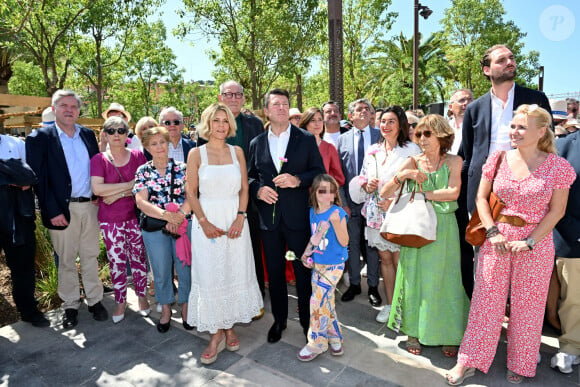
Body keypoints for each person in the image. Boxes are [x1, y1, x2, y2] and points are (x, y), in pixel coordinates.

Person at [447, 105, 576, 385]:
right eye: (513, 126)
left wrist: (530, 241)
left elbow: (557, 211)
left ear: (541, 131)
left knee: (528, 308)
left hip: (536, 244)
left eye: (521, 127)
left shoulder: (558, 167)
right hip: (497, 240)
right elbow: (481, 198)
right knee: (485, 303)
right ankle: (469, 360)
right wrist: (493, 232)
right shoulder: (498, 158)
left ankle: (522, 363)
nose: (514, 132)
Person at [458, 44, 551, 299]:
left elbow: (548, 148)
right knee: (486, 257)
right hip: (485, 194)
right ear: (487, 70)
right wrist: (465, 198)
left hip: (528, 190)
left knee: (525, 256)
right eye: (501, 60)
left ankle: (520, 315)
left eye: (511, 58)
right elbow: (467, 158)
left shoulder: (536, 101)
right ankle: (488, 314)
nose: (510, 61)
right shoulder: (474, 108)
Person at [380, 114, 469, 358]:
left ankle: (449, 333)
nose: (421, 139)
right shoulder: (412, 161)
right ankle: (413, 331)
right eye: (418, 134)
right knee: (414, 278)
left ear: (442, 135)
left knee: (445, 279)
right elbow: (385, 192)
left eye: (427, 133)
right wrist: (404, 176)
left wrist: (421, 192)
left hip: (444, 227)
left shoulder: (454, 161)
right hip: (416, 227)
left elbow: (453, 192)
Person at [185, 102, 263, 365]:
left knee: (234, 271)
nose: (221, 125)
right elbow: (190, 192)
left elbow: (244, 188)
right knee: (210, 275)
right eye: (216, 120)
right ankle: (216, 334)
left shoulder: (237, 151)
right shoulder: (196, 154)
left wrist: (241, 217)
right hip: (206, 221)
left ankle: (229, 327)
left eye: (225, 121)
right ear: (208, 124)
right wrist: (204, 221)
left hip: (235, 219)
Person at [247, 88, 326, 343]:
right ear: (267, 111)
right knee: (276, 272)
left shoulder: (305, 139)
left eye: (285, 104)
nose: (281, 108)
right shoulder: (257, 143)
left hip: (298, 219)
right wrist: (258, 190)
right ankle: (279, 320)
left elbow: (319, 173)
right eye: (276, 104)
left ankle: (307, 322)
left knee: (303, 272)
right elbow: (249, 177)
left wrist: (297, 180)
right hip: (269, 221)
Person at [26, 89, 108, 329]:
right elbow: (38, 179)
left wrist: (97, 194)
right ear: (54, 109)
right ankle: (70, 305)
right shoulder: (39, 138)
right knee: (66, 259)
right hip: (61, 209)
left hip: (90, 207)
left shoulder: (87, 135)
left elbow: (96, 168)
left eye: (74, 106)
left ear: (79, 110)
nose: (69, 110)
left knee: (91, 255)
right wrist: (52, 211)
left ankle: (95, 300)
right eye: (64, 106)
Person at [356, 106, 420, 323]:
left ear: (400, 124)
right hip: (376, 212)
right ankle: (391, 306)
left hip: (401, 211)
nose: (385, 125)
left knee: (400, 259)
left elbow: (418, 183)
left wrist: (395, 201)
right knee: (385, 259)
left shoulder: (411, 149)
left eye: (391, 121)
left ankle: (406, 307)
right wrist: (367, 185)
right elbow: (363, 177)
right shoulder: (373, 149)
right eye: (383, 121)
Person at [90, 116, 150, 323]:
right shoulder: (99, 159)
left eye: (121, 130)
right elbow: (97, 189)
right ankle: (121, 301)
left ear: (127, 134)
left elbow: (144, 187)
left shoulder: (137, 156)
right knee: (116, 262)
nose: (116, 134)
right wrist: (129, 186)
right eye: (111, 130)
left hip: (135, 217)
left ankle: (142, 297)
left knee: (139, 258)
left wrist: (116, 194)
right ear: (105, 134)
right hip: (110, 220)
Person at [133, 126, 192, 333]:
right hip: (155, 227)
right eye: (154, 144)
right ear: (147, 147)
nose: (159, 147)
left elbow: (192, 197)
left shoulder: (183, 167)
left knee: (185, 269)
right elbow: (141, 201)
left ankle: (186, 308)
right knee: (160, 270)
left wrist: (180, 216)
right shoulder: (143, 171)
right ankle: (165, 309)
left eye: (163, 142)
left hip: (183, 226)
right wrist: (166, 216)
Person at [217, 80, 267, 298]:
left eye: (238, 94)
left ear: (244, 98)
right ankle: (229, 292)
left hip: (250, 194)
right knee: (225, 246)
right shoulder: (211, 124)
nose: (234, 98)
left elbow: (260, 159)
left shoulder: (255, 124)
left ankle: (254, 292)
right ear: (220, 97)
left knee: (253, 244)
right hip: (220, 197)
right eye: (229, 94)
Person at [297, 174, 349, 361]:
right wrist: (306, 253)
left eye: (331, 191)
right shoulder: (312, 212)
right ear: (314, 193)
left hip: (334, 266)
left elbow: (344, 241)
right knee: (326, 302)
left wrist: (335, 223)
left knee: (317, 301)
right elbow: (315, 238)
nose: (327, 195)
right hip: (318, 266)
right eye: (322, 191)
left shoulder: (338, 213)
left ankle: (316, 343)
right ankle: (335, 337)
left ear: (336, 194)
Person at [0, 133, 49, 327]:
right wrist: (11, 175)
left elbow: (29, 176)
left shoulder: (15, 143)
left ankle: (28, 310)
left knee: (23, 266)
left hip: (20, 215)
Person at [336, 98, 381, 306]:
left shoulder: (381, 136)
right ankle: (354, 284)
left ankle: (373, 286)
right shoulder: (341, 140)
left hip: (376, 202)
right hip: (350, 203)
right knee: (352, 244)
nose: (364, 112)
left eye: (367, 109)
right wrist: (343, 201)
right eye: (359, 109)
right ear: (351, 116)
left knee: (372, 244)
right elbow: (338, 175)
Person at [549, 125, 580, 374]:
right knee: (573, 299)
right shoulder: (564, 146)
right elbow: (552, 197)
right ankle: (571, 347)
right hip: (573, 236)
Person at [299, 107, 345, 186]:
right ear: (305, 123)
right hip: (299, 195)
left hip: (322, 195)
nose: (317, 124)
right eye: (313, 120)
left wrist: (325, 187)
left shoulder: (329, 148)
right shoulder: (296, 146)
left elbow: (339, 178)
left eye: (320, 120)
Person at [448, 89, 473, 155]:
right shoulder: (445, 128)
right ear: (451, 107)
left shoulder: (479, 127)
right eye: (462, 100)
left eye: (470, 99)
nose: (466, 103)